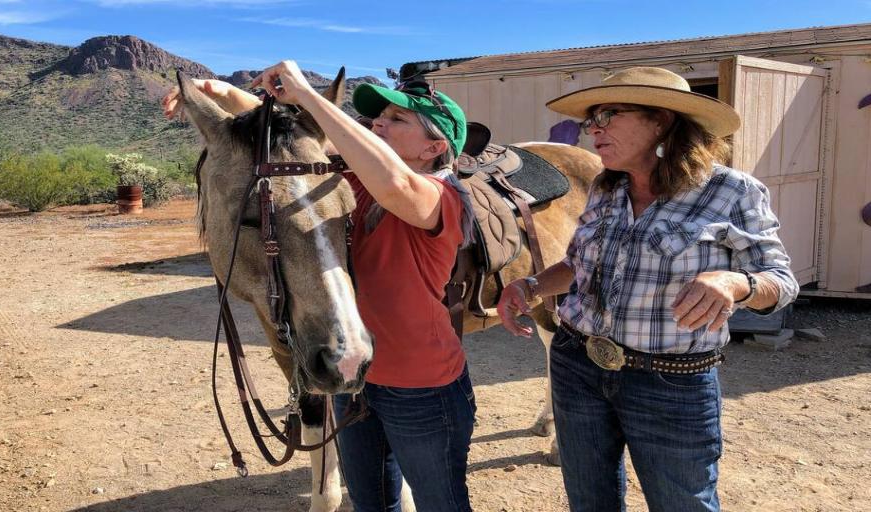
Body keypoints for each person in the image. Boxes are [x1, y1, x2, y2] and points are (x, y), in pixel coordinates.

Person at [163, 61, 477, 511]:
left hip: (421, 390)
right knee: (374, 503)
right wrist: (222, 94)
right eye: (377, 117)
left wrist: (309, 96)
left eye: (396, 120)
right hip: (359, 381)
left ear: (435, 146)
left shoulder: (436, 197)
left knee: (440, 504)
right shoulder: (353, 181)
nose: (377, 124)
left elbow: (394, 180)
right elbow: (294, 142)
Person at [497, 67, 799, 511]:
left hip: (669, 381)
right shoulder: (605, 186)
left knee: (683, 503)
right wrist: (530, 285)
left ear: (662, 120)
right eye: (591, 118)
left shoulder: (732, 191)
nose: (594, 128)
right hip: (576, 364)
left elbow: (781, 281)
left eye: (610, 114)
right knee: (588, 500)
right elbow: (578, 264)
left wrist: (735, 282)